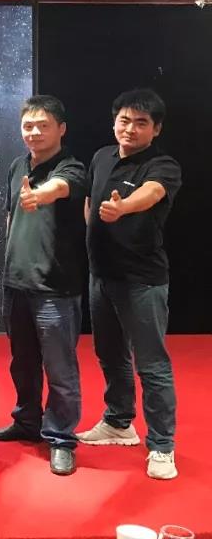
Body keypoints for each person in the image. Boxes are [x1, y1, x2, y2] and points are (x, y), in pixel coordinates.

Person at [77, 88, 182, 480]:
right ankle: (119, 422)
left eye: (141, 122)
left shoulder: (163, 165)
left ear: (156, 129)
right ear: (114, 121)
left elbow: (152, 193)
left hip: (143, 281)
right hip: (101, 275)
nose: (131, 128)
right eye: (124, 120)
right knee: (110, 354)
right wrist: (93, 226)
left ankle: (162, 446)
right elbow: (90, 201)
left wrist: (123, 207)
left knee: (152, 365)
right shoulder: (102, 156)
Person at [0, 95, 87, 476]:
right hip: (17, 283)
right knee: (23, 362)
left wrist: (42, 193)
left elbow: (62, 187)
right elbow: (10, 217)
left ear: (61, 129)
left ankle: (61, 437)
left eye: (43, 125)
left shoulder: (72, 167)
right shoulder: (18, 165)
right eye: (28, 126)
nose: (34, 132)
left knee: (60, 367)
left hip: (55, 287)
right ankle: (27, 420)